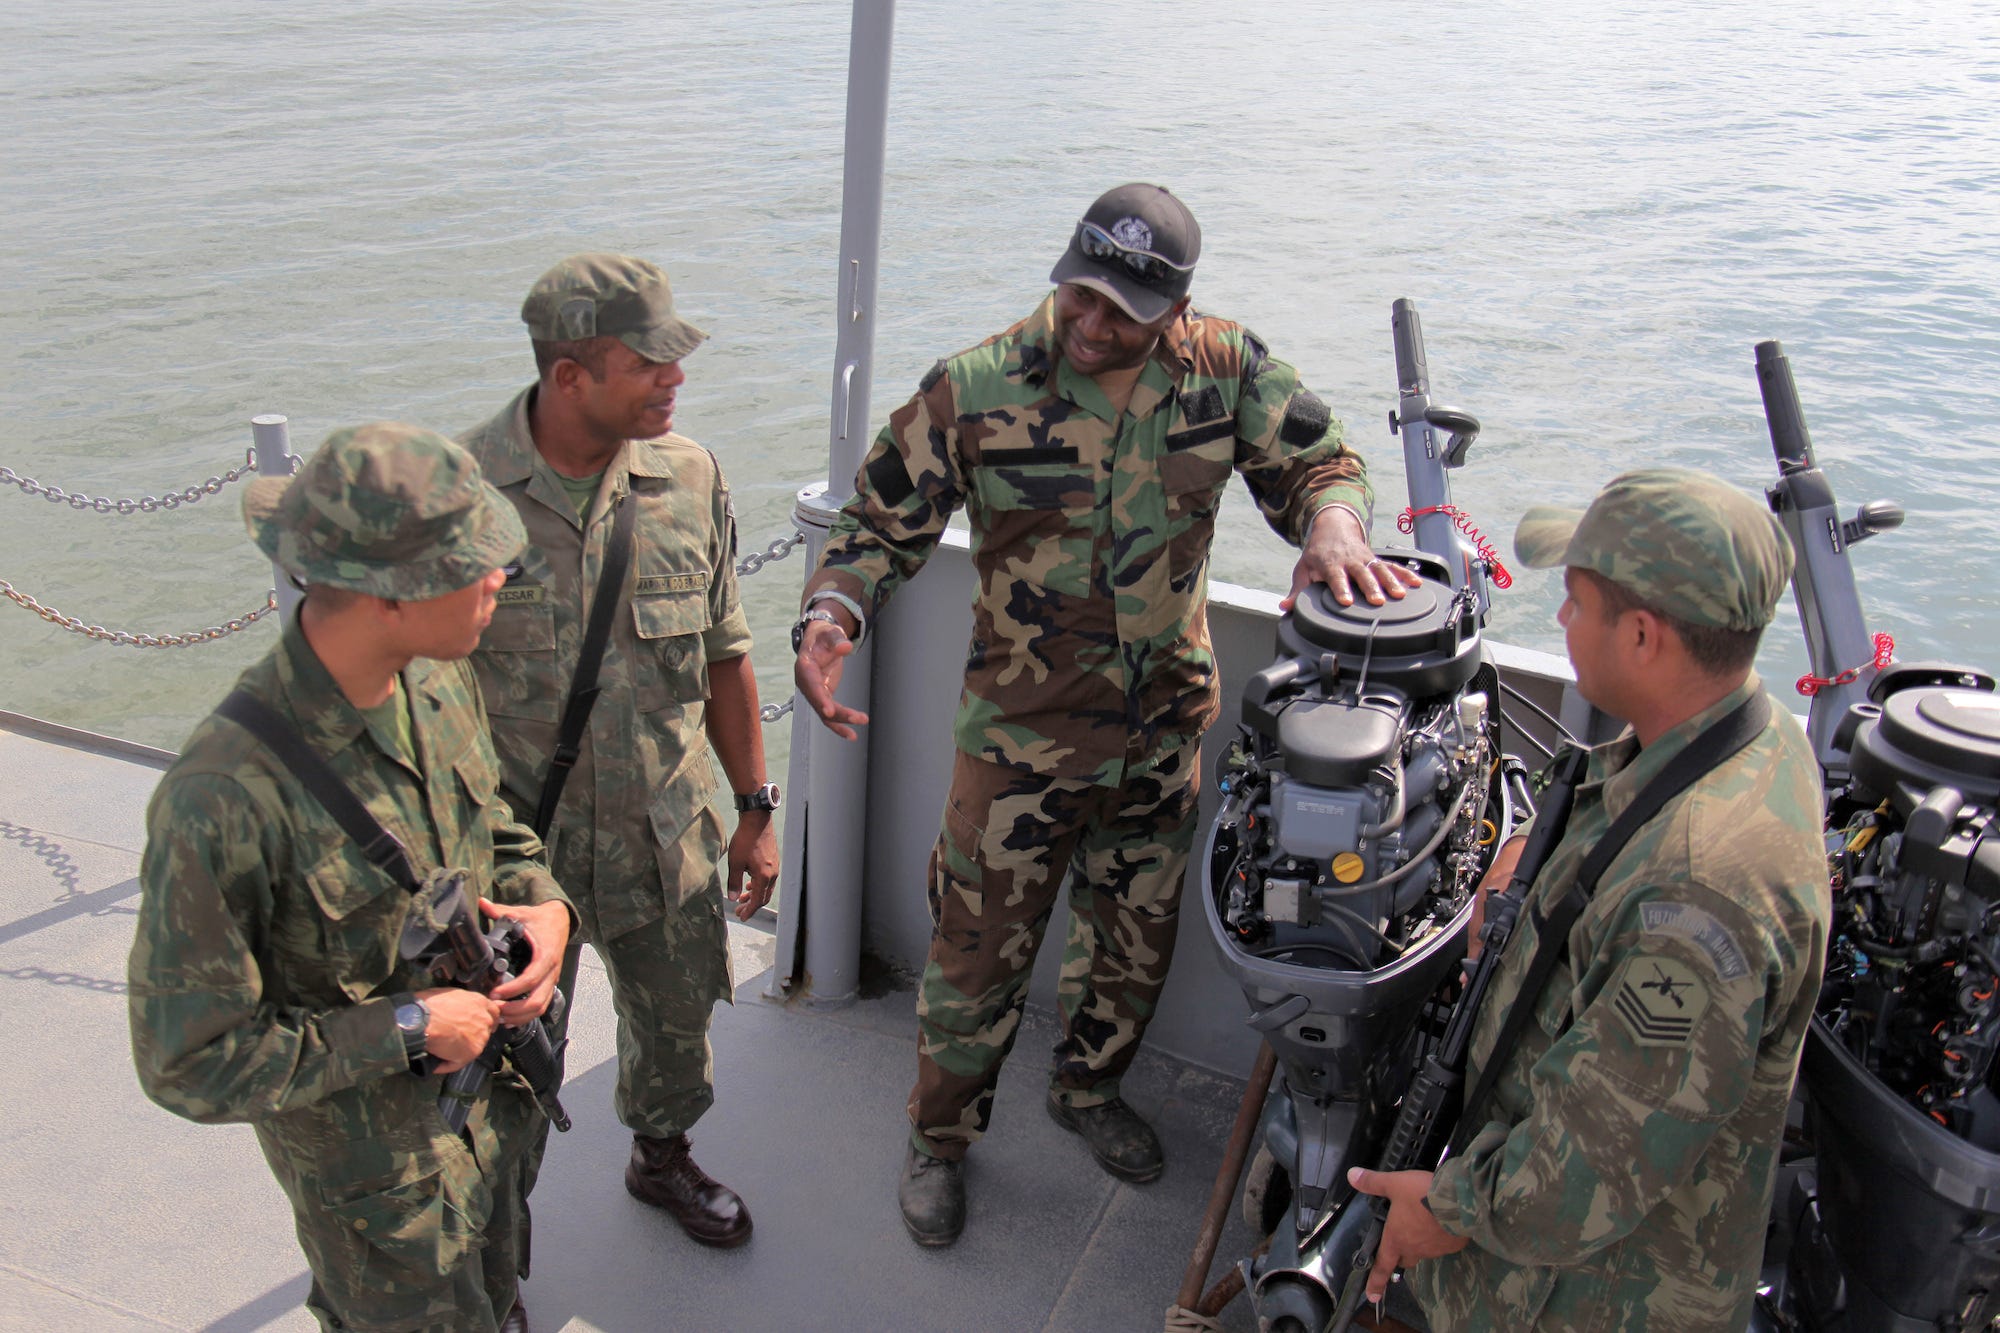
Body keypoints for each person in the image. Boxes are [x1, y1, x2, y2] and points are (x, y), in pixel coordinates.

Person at [793, 182, 1418, 1247]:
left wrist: (1334, 523)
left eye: (1118, 314)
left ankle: (1085, 1091)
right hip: (1018, 747)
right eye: (1075, 297)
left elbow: (1319, 458)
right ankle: (937, 1141)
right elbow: (873, 522)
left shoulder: (1225, 369)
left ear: (1174, 308)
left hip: (1162, 736)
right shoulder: (975, 386)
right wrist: (833, 607)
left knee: (1129, 941)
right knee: (975, 953)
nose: (1087, 327)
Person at [1347, 468, 1831, 1331]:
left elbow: (1589, 1171)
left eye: (1574, 602)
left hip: (1586, 1293)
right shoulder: (1748, 742)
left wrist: (1444, 1208)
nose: (1562, 622)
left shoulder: (1701, 890)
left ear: (1644, 636)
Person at [129, 423, 575, 1333]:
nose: (500, 577)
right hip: (378, 1189)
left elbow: (495, 830)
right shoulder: (224, 798)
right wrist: (406, 1026)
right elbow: (187, 1060)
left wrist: (549, 909)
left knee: (498, 1287)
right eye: (473, 564)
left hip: (494, 1112)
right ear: (390, 596)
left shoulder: (437, 680)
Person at [460, 252, 778, 1249]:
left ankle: (661, 1156)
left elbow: (725, 652)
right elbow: (418, 695)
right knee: (503, 1075)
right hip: (520, 856)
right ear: (569, 376)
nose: (672, 379)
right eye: (647, 363)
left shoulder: (689, 477)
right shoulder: (465, 500)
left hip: (663, 836)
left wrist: (755, 811)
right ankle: (497, 1261)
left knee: (677, 1027)